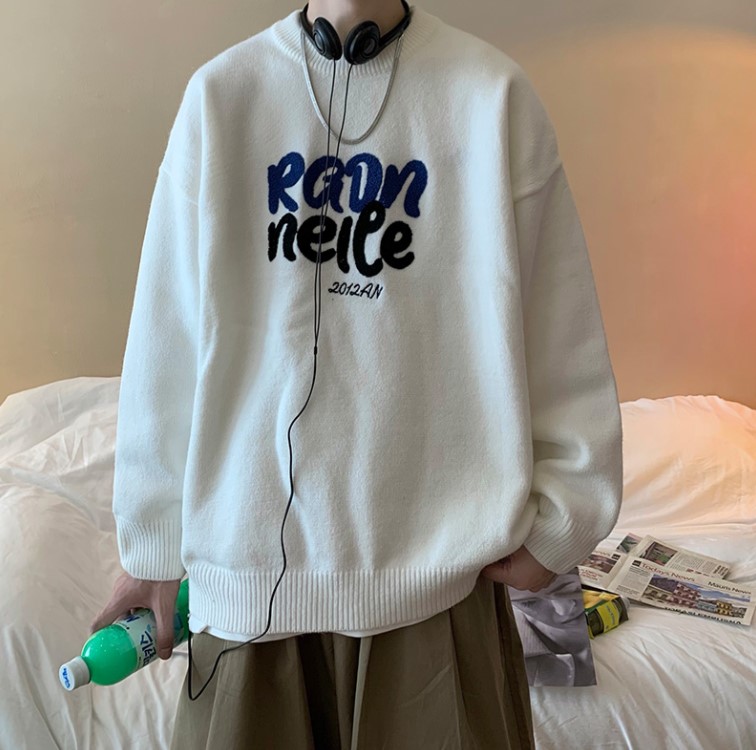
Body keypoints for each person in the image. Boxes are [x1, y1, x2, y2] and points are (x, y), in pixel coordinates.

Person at [92, 1, 623, 747]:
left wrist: (563, 520)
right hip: (248, 591)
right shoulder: (222, 97)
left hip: (437, 586)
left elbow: (560, 332)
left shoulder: (493, 98)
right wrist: (151, 544)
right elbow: (164, 345)